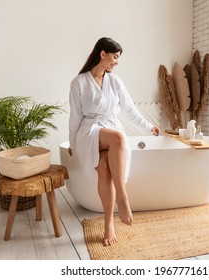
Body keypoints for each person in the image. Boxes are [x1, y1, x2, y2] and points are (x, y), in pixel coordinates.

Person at [68, 37, 160, 246]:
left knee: (104, 167)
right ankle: (123, 198)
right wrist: (73, 145)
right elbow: (75, 117)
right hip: (89, 131)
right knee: (119, 137)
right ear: (103, 54)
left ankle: (108, 224)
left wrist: (148, 126)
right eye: (115, 57)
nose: (116, 62)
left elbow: (129, 110)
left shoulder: (115, 81)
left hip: (110, 127)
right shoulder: (79, 82)